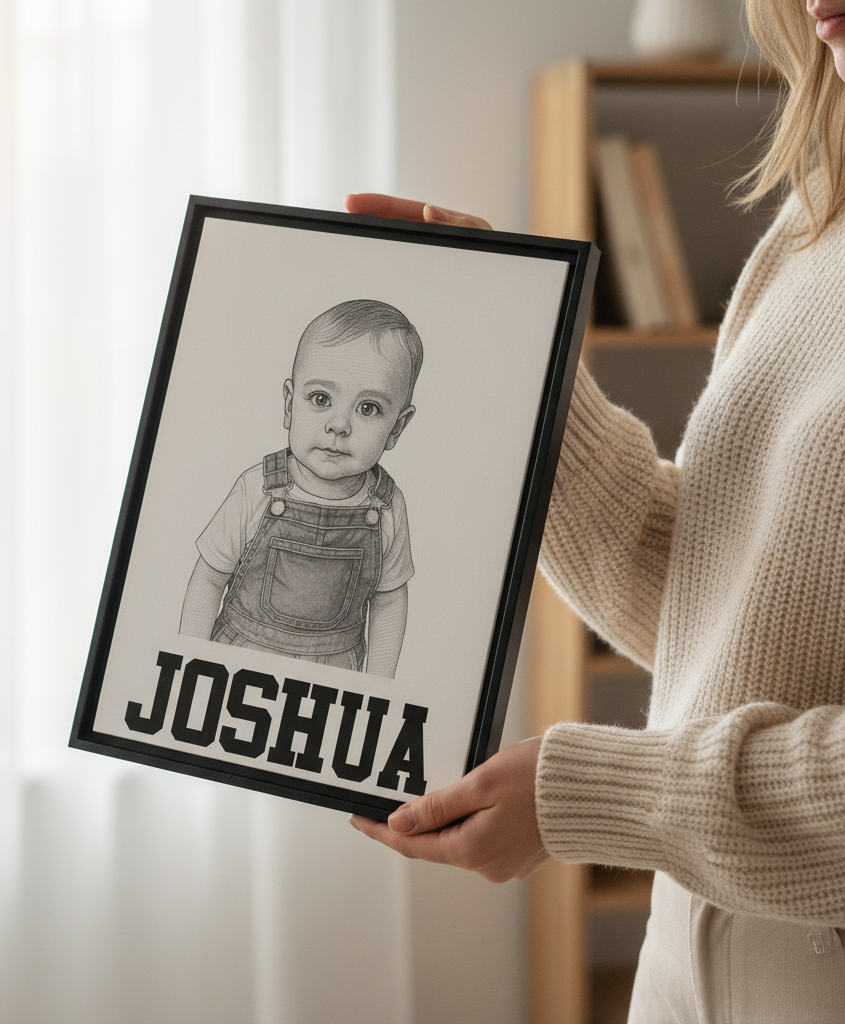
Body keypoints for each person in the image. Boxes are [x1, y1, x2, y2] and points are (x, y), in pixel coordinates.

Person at [347, 0, 845, 1016]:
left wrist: (590, 796)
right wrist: (520, 371)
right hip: (683, 959)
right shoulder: (810, 233)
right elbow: (715, 609)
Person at [180, 298, 420, 678]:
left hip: (334, 675)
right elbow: (210, 578)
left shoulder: (388, 507)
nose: (339, 424)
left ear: (397, 427)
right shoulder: (257, 487)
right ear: (290, 404)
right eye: (321, 399)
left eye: (369, 408)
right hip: (238, 661)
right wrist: (191, 663)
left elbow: (389, 599)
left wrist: (380, 686)